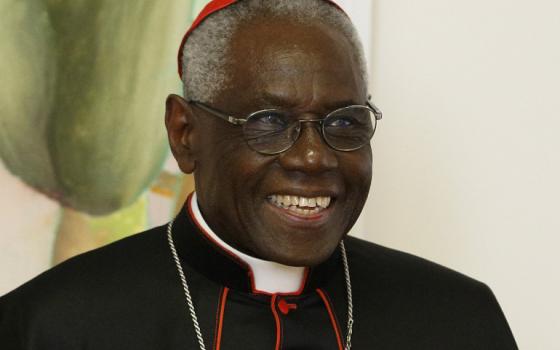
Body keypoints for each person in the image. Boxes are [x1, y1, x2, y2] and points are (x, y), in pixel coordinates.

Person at [0, 0, 518, 349]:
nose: (314, 158)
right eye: (269, 122)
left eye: (343, 122)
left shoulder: (458, 319)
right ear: (185, 134)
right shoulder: (51, 326)